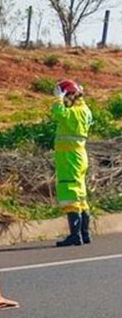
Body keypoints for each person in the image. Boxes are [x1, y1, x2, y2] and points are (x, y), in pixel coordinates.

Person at [52, 79, 93, 247]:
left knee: (70, 193)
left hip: (70, 158)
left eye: (67, 95)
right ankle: (85, 233)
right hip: (78, 156)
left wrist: (57, 100)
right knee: (80, 195)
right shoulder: (85, 110)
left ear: (74, 94)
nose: (65, 99)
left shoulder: (75, 112)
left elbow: (59, 114)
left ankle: (75, 236)